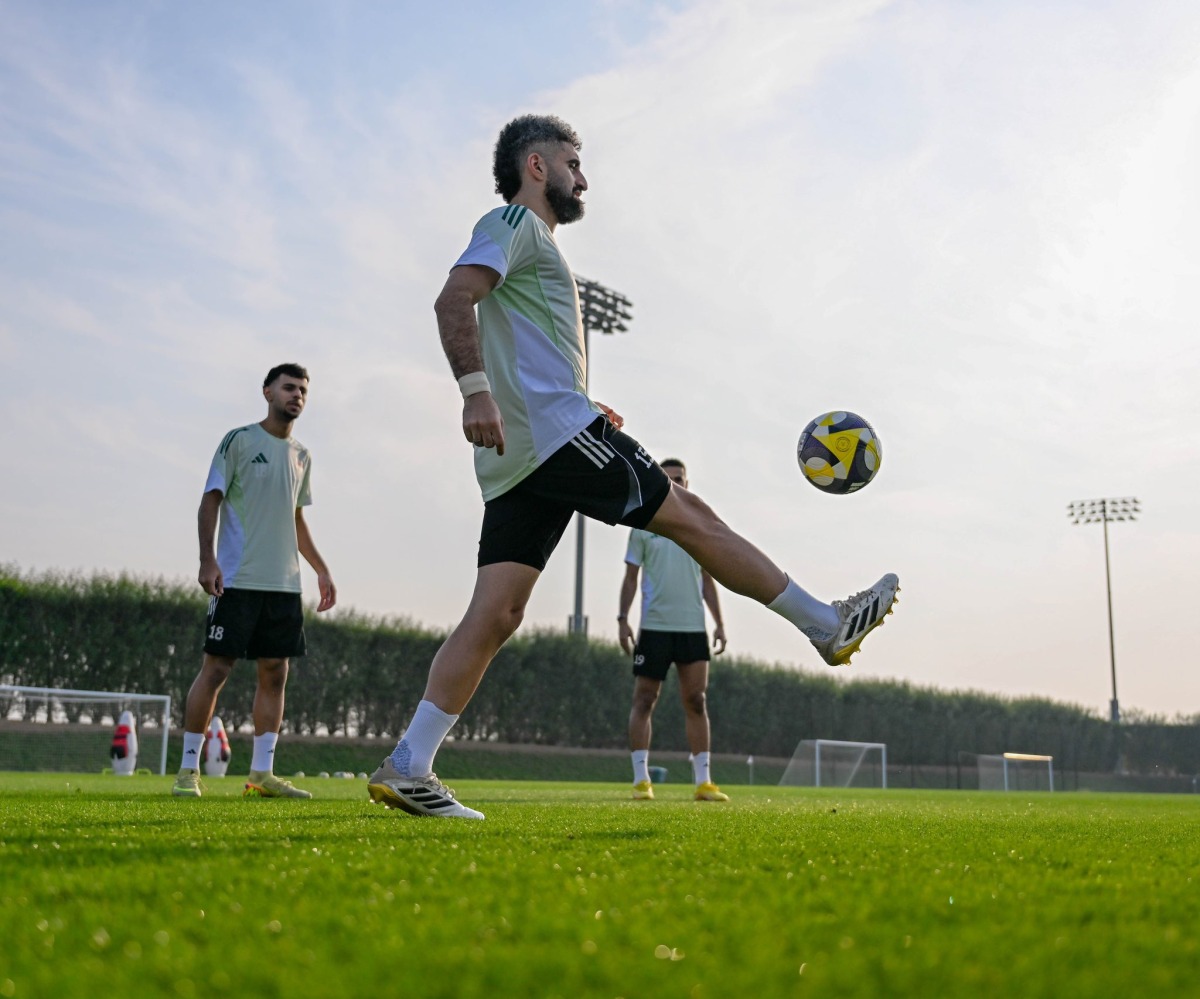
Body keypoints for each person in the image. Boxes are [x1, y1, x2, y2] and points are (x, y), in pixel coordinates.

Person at [367, 115, 898, 820]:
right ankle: (825, 624)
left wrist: (575, 399)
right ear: (535, 166)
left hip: (527, 453)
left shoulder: (532, 246)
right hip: (554, 437)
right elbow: (453, 298)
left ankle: (409, 763)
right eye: (572, 163)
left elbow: (521, 343)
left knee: (496, 612)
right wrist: (475, 393)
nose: (582, 178)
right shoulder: (514, 224)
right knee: (691, 516)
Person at [172, 363, 336, 799]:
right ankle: (188, 770)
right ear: (267, 392)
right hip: (237, 578)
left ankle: (261, 774)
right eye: (288, 387)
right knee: (216, 669)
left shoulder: (302, 455)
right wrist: (207, 559)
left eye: (302, 390)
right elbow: (210, 500)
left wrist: (320, 569)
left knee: (275, 673)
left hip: (284, 585)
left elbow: (295, 519)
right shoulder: (239, 441)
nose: (296, 395)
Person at [618, 459, 730, 802]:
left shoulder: (699, 525)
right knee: (644, 699)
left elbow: (708, 580)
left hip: (692, 629)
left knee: (696, 700)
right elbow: (631, 578)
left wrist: (719, 623)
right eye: (668, 479)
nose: (674, 483)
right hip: (654, 628)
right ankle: (641, 780)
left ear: (687, 482)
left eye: (679, 478)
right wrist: (622, 620)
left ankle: (704, 782)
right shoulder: (643, 523)